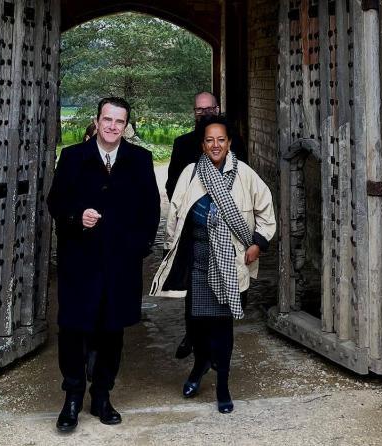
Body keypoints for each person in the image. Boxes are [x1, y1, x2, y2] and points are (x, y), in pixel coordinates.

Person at [48, 97, 161, 432]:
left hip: (120, 263)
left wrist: (138, 247)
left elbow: (150, 208)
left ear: (127, 126)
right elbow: (56, 201)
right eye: (107, 120)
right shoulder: (72, 157)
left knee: (112, 331)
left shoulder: (140, 159)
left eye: (119, 122)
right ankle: (71, 398)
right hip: (79, 260)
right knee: (73, 328)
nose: (113, 127)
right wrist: (76, 216)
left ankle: (101, 396)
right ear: (96, 121)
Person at [150, 114, 276, 414]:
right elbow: (175, 216)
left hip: (231, 264)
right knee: (197, 326)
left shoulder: (245, 175)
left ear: (229, 143)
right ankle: (199, 366)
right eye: (210, 140)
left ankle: (223, 385)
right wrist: (174, 250)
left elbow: (266, 212)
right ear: (203, 145)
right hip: (198, 261)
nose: (216, 145)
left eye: (221, 139)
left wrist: (257, 244)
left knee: (222, 329)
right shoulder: (191, 174)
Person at [165, 91, 248, 360]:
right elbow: (172, 185)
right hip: (195, 229)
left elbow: (246, 183)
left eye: (209, 108)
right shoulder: (182, 144)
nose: (204, 113)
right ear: (194, 113)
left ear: (218, 108)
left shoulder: (233, 143)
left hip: (227, 226)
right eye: (199, 110)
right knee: (195, 286)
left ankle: (219, 344)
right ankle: (193, 336)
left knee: (228, 278)